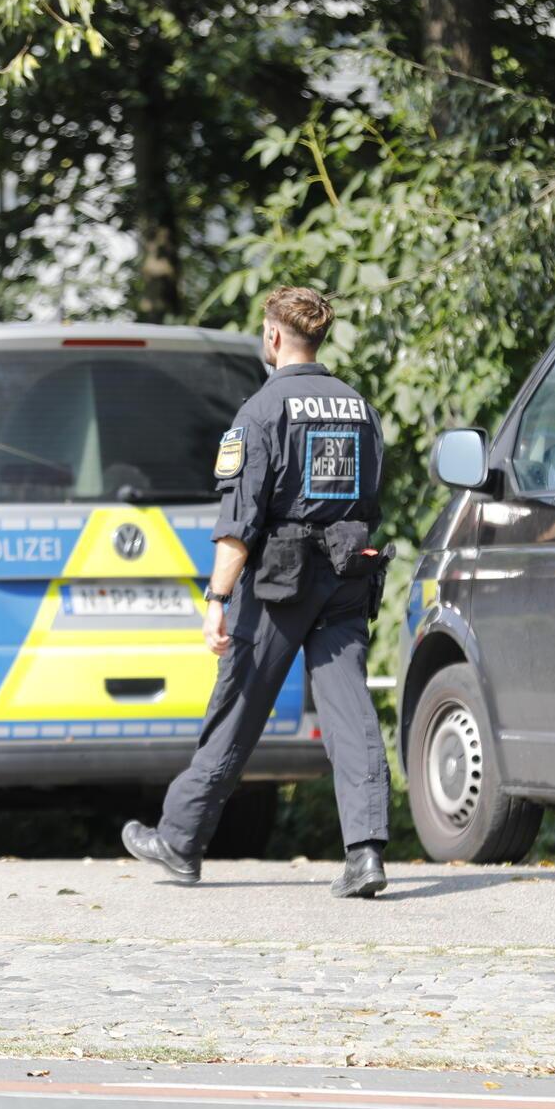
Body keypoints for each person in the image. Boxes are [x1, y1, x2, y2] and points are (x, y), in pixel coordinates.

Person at [122, 286, 392, 898]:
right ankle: (366, 852)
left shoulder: (262, 411)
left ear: (273, 337)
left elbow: (239, 520)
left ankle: (181, 839)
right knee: (350, 711)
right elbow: (371, 497)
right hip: (348, 574)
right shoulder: (359, 407)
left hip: (281, 581)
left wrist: (216, 600)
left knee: (239, 705)